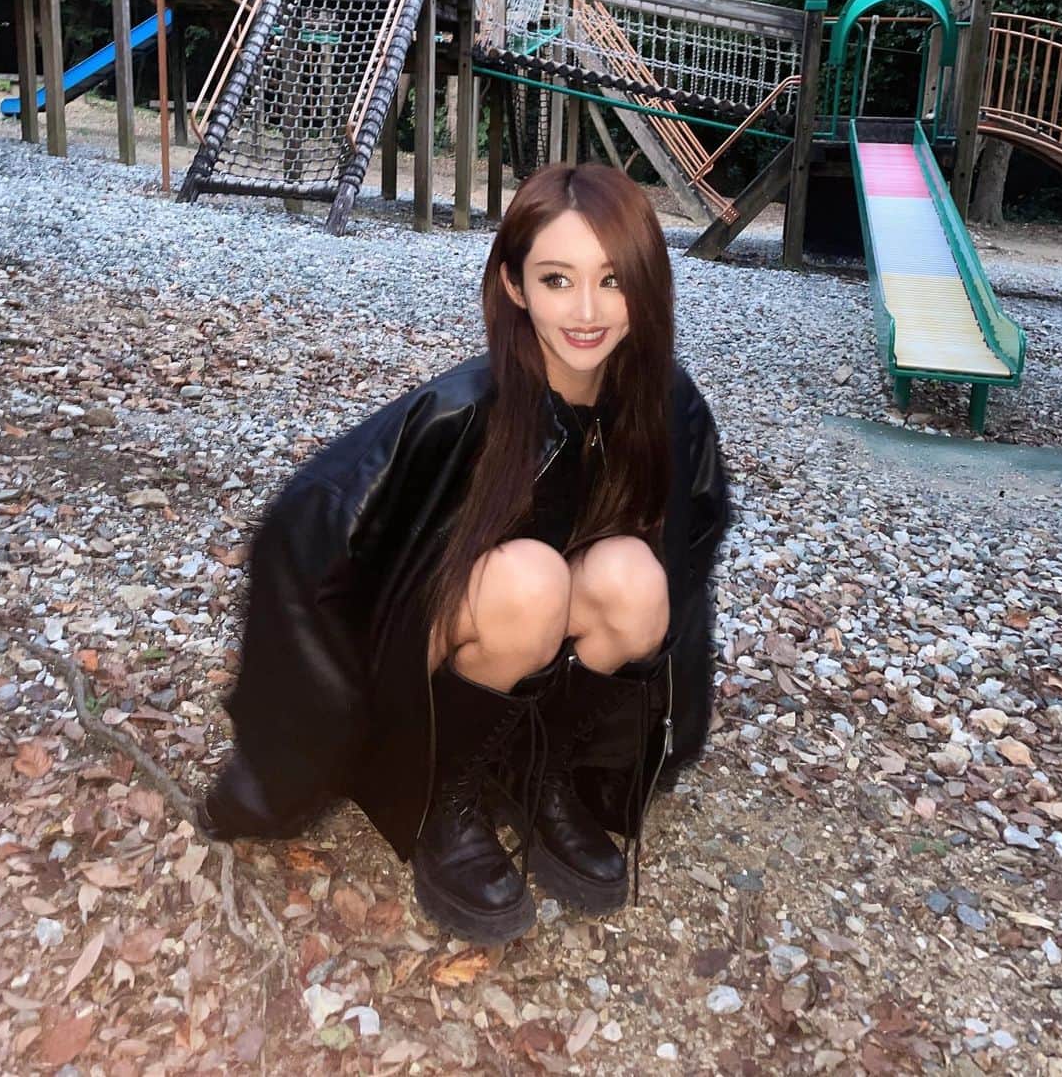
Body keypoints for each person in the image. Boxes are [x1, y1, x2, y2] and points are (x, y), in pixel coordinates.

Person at [198, 162, 729, 944]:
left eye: (613, 280)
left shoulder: (668, 407)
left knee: (635, 581)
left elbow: (689, 563)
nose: (587, 311)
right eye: (557, 280)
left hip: (537, 648)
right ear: (515, 285)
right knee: (531, 581)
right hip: (424, 662)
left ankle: (539, 773)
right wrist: (290, 749)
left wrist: (674, 736)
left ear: (646, 284)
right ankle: (446, 795)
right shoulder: (464, 409)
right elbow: (308, 519)